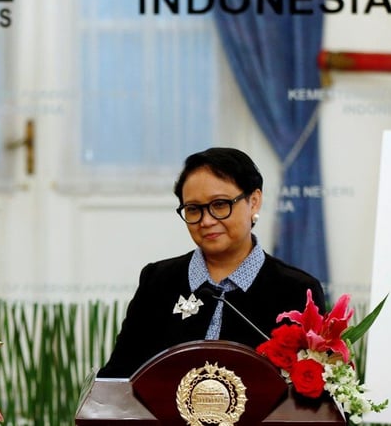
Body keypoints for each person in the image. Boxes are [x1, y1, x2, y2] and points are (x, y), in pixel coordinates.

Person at [98, 147, 325, 378]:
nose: (206, 221)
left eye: (219, 205)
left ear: (254, 202)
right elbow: (119, 376)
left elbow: (313, 394)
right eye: (194, 209)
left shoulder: (297, 291)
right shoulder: (158, 281)